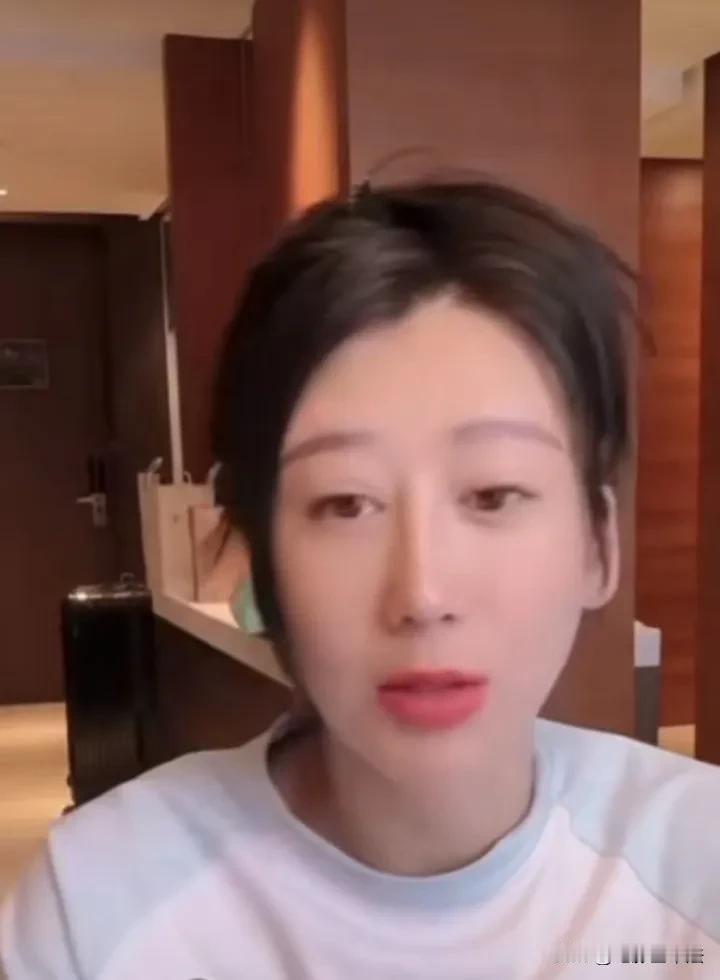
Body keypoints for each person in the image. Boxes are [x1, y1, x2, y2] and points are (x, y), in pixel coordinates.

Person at [2, 181, 719, 979]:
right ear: (260, 560)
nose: (422, 594)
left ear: (598, 546)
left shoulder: (699, 864)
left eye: (493, 494)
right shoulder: (97, 908)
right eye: (346, 504)